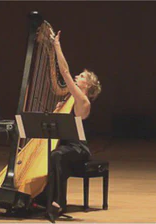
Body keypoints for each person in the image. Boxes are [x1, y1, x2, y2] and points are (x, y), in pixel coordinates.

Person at [33, 30, 102, 223]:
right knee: (55, 154)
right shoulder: (71, 99)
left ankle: (58, 201)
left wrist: (56, 46)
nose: (76, 76)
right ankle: (48, 199)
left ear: (86, 85)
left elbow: (63, 72)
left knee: (57, 155)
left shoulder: (83, 100)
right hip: (66, 146)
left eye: (80, 76)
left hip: (78, 149)